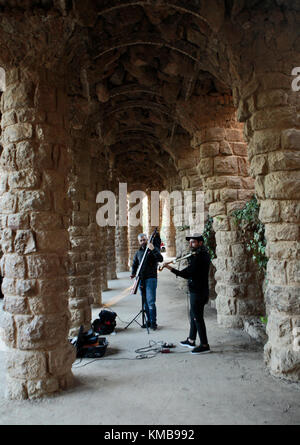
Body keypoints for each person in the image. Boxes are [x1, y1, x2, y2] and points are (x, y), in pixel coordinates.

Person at [164, 233, 211, 354]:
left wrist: (170, 268)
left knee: (198, 317)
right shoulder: (199, 255)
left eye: (193, 242)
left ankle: (204, 344)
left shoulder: (200, 257)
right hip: (198, 290)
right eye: (190, 242)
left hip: (198, 291)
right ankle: (191, 340)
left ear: (200, 243)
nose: (190, 244)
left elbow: (187, 273)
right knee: (193, 315)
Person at [130, 232, 163, 330]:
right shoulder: (138, 252)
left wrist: (153, 250)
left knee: (151, 301)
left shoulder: (153, 249)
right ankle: (148, 321)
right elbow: (135, 264)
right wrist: (133, 273)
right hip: (141, 279)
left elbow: (160, 259)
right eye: (141, 240)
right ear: (139, 242)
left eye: (144, 240)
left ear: (147, 239)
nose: (143, 242)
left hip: (151, 278)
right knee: (144, 302)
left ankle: (153, 322)